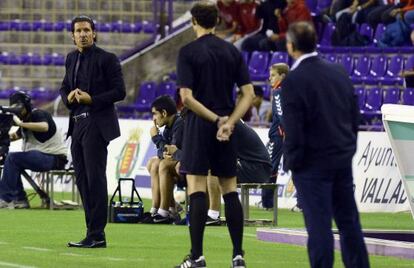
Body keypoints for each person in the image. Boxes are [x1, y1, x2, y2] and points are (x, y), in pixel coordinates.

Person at [281, 22, 370, 267]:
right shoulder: (338, 71)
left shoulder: (293, 81)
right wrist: (348, 148)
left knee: (319, 227)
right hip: (340, 159)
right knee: (349, 224)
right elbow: (354, 116)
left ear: (291, 46)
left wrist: (293, 162)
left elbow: (294, 129)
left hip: (311, 164)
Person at [175, 2, 254, 268]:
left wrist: (215, 119)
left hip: (199, 123)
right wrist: (229, 121)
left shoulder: (187, 52)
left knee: (196, 188)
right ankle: (238, 256)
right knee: (229, 189)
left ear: (193, 21)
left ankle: (196, 256)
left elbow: (186, 98)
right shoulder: (231, 50)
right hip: (226, 128)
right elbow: (249, 94)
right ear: (217, 21)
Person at [60, 15, 126, 248]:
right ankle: (92, 231)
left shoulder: (107, 59)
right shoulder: (71, 58)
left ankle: (97, 234)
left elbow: (120, 91)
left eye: (87, 30)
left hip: (97, 123)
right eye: (78, 31)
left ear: (94, 33)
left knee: (95, 178)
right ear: (72, 35)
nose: (83, 34)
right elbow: (65, 86)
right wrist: (68, 97)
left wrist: (92, 99)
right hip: (76, 124)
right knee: (82, 180)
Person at [0, 91, 68, 209]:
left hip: (54, 158)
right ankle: (20, 199)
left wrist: (21, 124)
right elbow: (14, 137)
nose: (18, 112)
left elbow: (44, 127)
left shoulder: (38, 114)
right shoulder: (25, 121)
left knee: (13, 158)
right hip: (43, 157)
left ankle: (5, 199)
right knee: (11, 160)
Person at [207, 120, 272, 225]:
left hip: (258, 168)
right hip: (254, 165)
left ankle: (213, 215)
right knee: (211, 165)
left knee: (213, 167)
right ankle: (208, 213)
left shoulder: (229, 125)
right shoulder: (230, 121)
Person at [146, 95, 184, 223]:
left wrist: (156, 138)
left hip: (187, 165)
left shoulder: (179, 123)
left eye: (155, 114)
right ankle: (156, 209)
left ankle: (164, 211)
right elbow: (162, 152)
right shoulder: (168, 127)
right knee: (152, 163)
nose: (154, 119)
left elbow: (171, 152)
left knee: (163, 165)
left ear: (164, 113)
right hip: (178, 164)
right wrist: (162, 148)